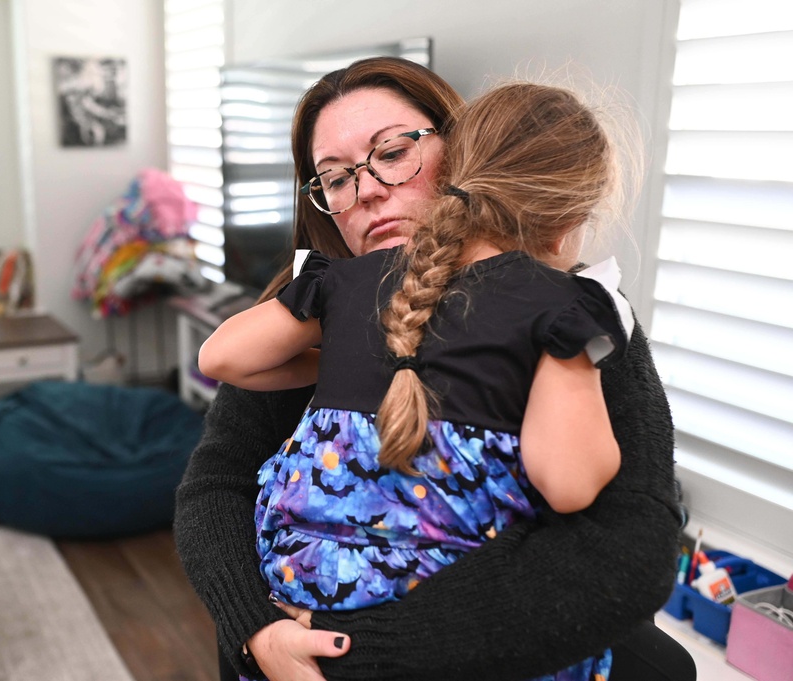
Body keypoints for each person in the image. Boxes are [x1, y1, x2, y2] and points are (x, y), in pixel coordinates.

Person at [174, 57, 688, 681]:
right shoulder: (312, 306)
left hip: (485, 635)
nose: (364, 191)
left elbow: (629, 540)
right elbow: (215, 484)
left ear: (466, 151)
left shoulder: (574, 318)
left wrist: (368, 651)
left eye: (392, 153)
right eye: (333, 179)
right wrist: (258, 630)